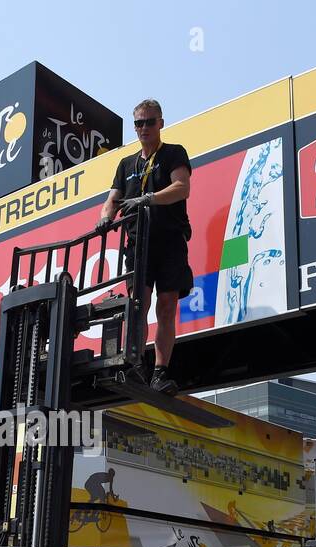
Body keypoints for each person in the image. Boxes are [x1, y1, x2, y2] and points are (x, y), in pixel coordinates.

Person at [98, 98, 193, 396]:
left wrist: (148, 198)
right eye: (138, 123)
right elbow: (111, 200)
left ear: (161, 123)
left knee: (166, 307)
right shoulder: (126, 164)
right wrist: (105, 217)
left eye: (149, 122)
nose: (143, 128)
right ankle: (136, 364)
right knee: (138, 305)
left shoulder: (174, 153)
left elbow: (182, 187)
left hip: (169, 241)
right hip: (138, 244)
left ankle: (160, 372)